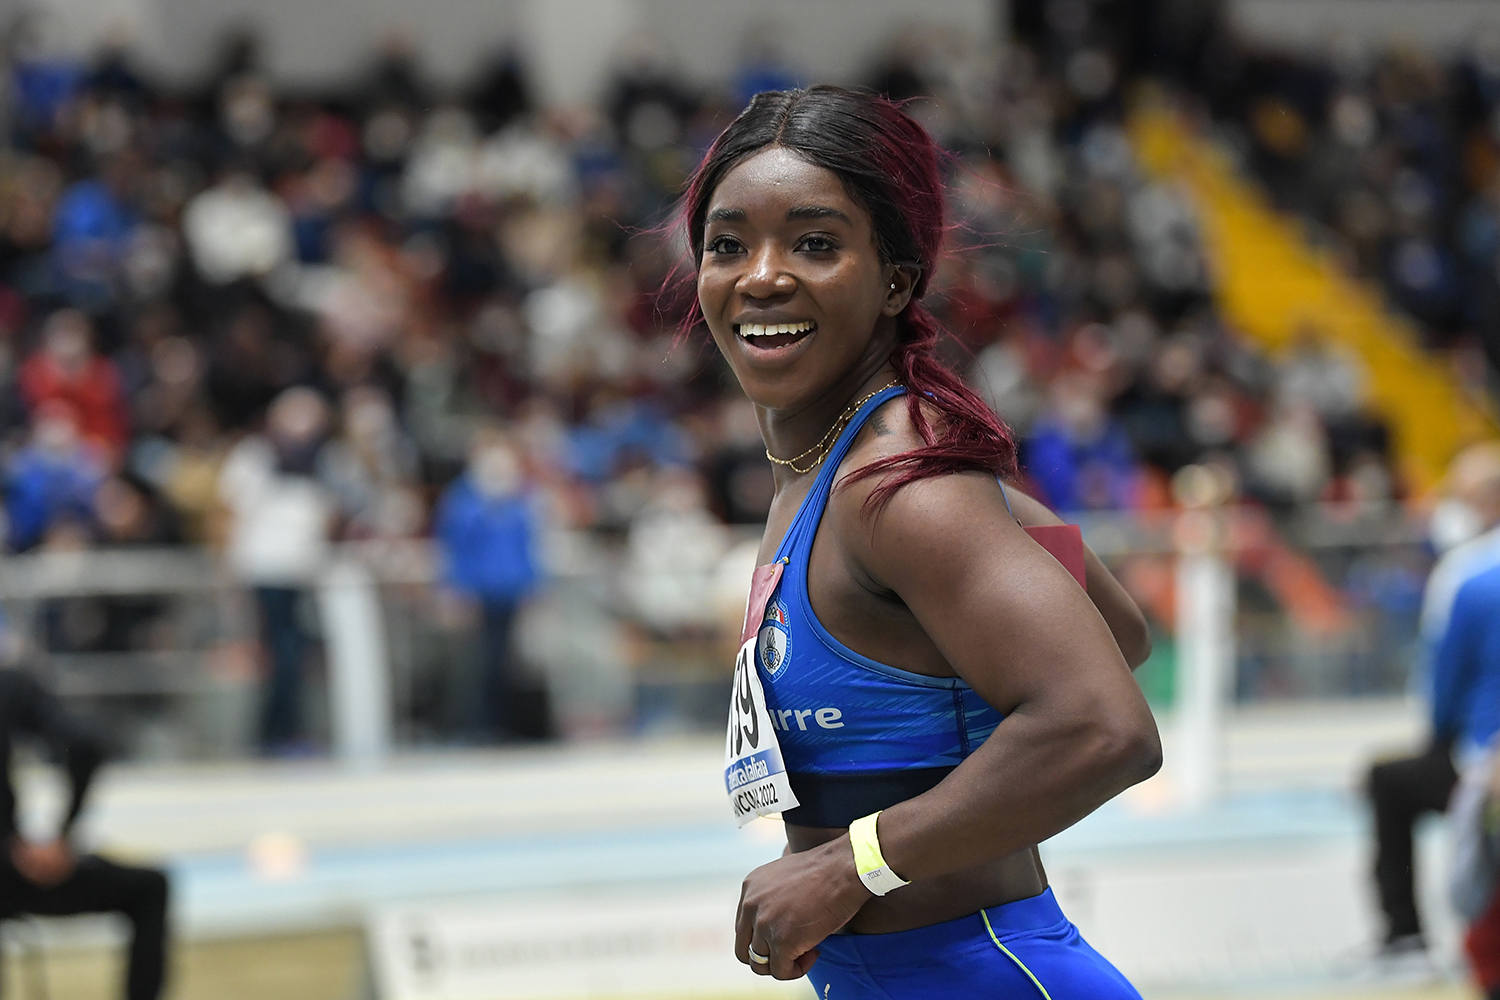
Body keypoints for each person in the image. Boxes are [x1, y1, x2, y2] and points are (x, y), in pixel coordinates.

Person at [686, 86, 1160, 995]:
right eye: (728, 245)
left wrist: (847, 867)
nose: (762, 276)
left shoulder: (896, 488)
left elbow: (1103, 725)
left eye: (815, 243)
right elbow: (1118, 630)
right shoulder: (847, 471)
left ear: (896, 281)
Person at [1367, 442, 1500, 959]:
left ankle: (1405, 933)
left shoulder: (1469, 577)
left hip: (1485, 760)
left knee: (1387, 781)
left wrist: (1438, 738)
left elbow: (1445, 686)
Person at [0, 668, 169, 1000]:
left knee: (149, 888)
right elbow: (84, 744)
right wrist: (61, 834)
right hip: (15, 866)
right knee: (149, 888)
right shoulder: (11, 683)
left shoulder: (11, 686)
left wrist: (55, 841)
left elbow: (82, 744)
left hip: (16, 868)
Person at [217, 387, 333, 753]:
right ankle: (273, 733)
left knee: (295, 653)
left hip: (302, 572)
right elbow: (228, 513)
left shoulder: (322, 462)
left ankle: (283, 730)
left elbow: (326, 515)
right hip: (263, 570)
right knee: (278, 653)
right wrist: (229, 567)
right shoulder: (253, 458)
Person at [433, 428, 541, 742]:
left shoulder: (519, 500)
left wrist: (535, 585)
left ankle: (505, 725)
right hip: (477, 593)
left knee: (508, 663)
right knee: (476, 665)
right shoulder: (463, 501)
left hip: (511, 591)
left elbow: (529, 548)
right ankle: (477, 724)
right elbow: (455, 549)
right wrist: (454, 589)